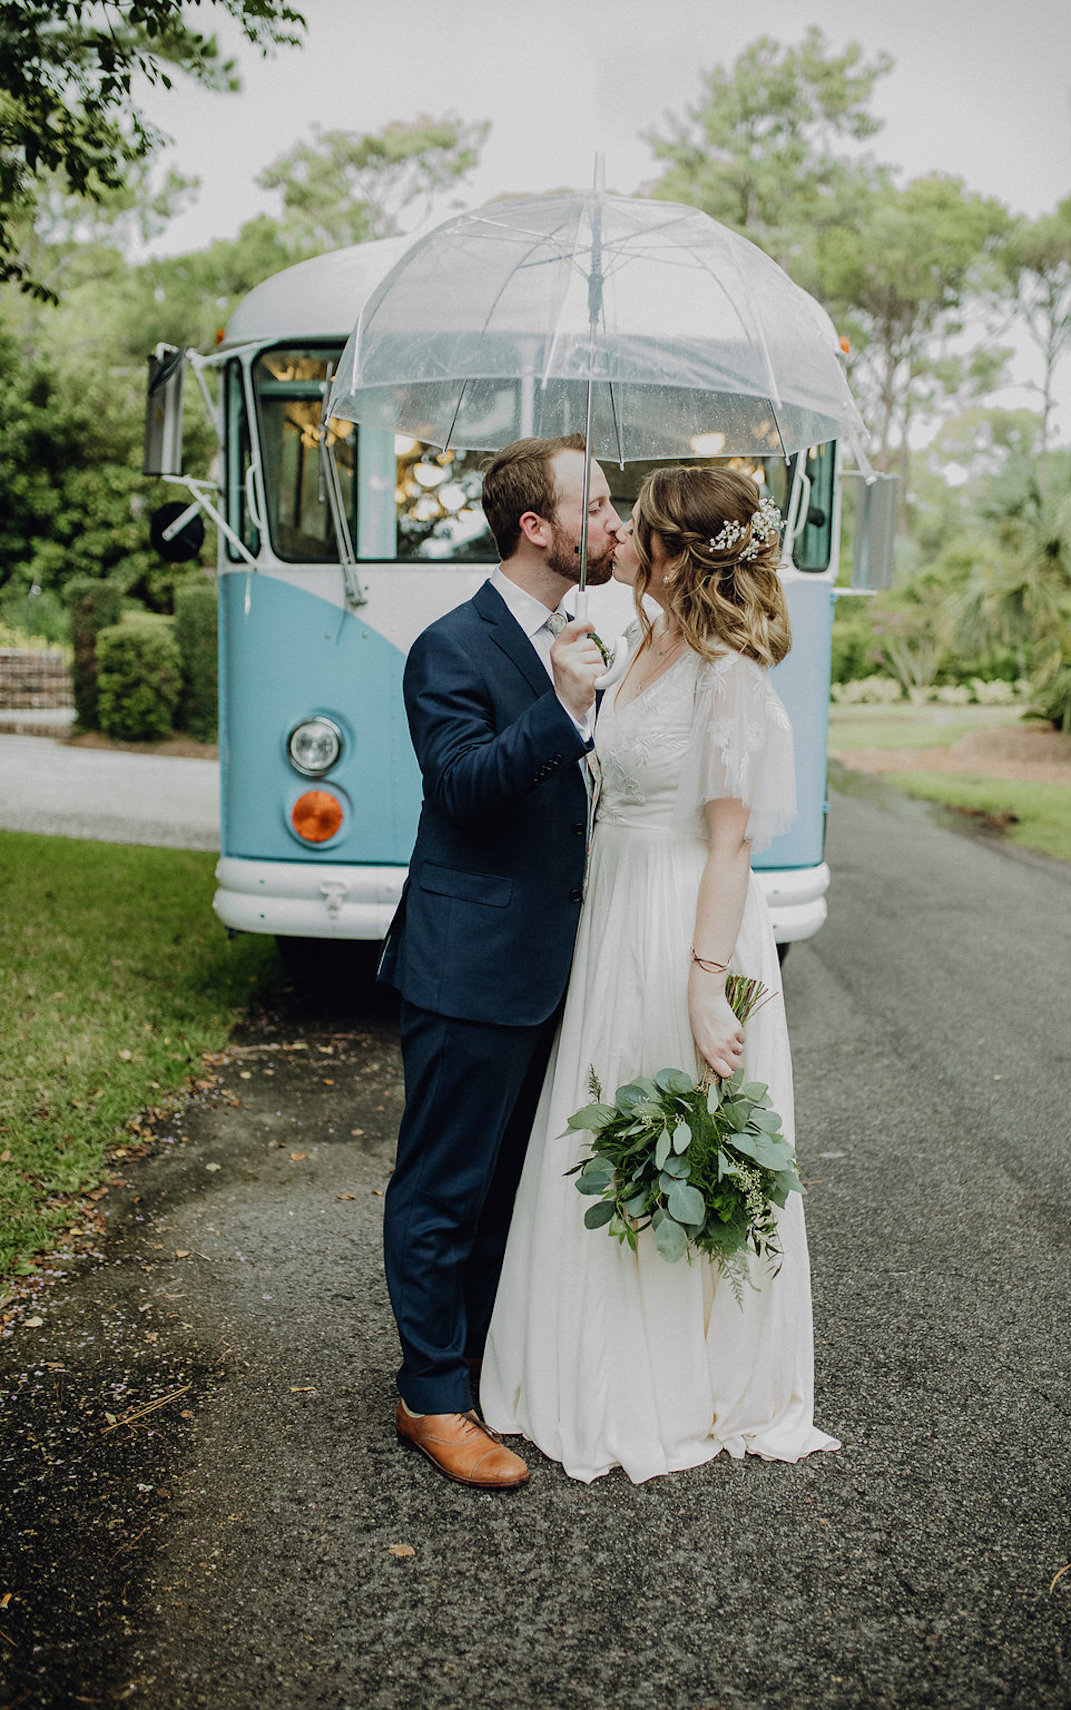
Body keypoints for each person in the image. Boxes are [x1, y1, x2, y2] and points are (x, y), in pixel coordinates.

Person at [481, 465, 840, 1484]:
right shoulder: (636, 640)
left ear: (680, 555)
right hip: (612, 914)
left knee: (669, 1120)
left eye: (636, 528)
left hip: (684, 920)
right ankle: (576, 1365)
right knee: (601, 1118)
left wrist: (702, 982)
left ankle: (681, 1384)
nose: (620, 540)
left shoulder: (729, 674)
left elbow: (731, 848)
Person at [379, 433, 620, 1489]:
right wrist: (561, 708)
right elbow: (466, 790)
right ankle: (431, 1397)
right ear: (537, 526)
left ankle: (479, 1365)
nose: (613, 522)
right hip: (468, 959)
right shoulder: (449, 646)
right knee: (446, 1187)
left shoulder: (590, 630)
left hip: (561, 962)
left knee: (513, 1188)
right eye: (597, 505)